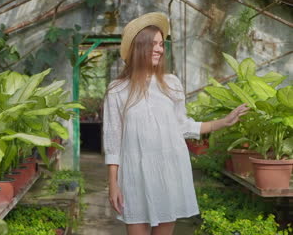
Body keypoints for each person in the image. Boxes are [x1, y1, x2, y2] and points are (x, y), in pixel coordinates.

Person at [103, 12, 249, 235]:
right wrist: (113, 184)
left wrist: (224, 122)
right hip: (134, 175)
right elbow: (113, 140)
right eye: (153, 44)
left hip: (168, 171)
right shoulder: (117, 89)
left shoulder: (171, 83)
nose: (160, 49)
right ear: (139, 46)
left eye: (162, 44)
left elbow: (183, 126)